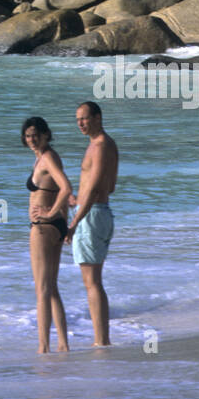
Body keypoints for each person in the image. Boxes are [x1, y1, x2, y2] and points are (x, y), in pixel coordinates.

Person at [65, 101, 119, 347]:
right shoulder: (107, 145)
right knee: (94, 280)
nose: (80, 124)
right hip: (100, 212)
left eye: (85, 119)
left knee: (92, 282)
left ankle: (101, 340)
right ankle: (102, 339)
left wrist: (74, 221)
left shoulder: (99, 147)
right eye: (78, 120)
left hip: (91, 216)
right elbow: (110, 187)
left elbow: (97, 187)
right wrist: (77, 199)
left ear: (98, 117)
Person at [21, 116, 73, 354]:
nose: (31, 139)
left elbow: (66, 188)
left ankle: (43, 348)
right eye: (28, 135)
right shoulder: (45, 157)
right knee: (51, 288)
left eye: (35, 135)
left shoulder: (48, 158)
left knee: (41, 289)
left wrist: (50, 212)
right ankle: (63, 345)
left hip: (43, 227)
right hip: (55, 226)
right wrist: (65, 223)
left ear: (46, 134)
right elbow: (64, 195)